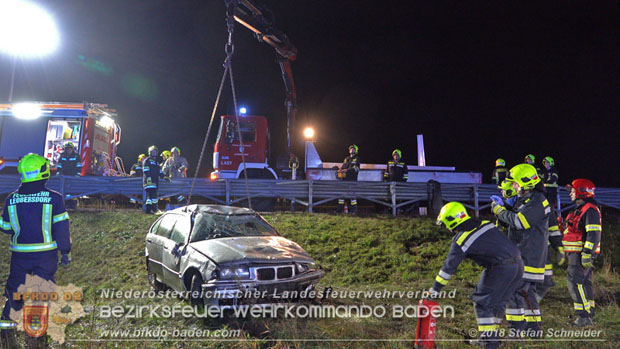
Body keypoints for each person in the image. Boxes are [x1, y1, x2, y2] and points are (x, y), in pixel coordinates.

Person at [0, 154, 71, 346]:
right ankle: (36, 338)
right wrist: (65, 252)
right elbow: (61, 229)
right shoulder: (54, 199)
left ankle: (6, 336)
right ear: (43, 172)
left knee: (15, 293)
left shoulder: (11, 199)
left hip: (20, 254)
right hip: (45, 255)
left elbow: (5, 227)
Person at [431, 202, 523, 349]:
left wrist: (435, 290)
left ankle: (489, 344)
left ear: (451, 221)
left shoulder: (461, 240)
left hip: (500, 268)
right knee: (497, 303)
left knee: (482, 303)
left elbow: (448, 268)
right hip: (518, 264)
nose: (447, 229)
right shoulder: (485, 224)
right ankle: (487, 338)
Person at [491, 163, 549, 336]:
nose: (514, 186)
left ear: (526, 183)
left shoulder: (537, 201)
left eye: (516, 183)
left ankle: (516, 330)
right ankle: (534, 329)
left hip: (528, 255)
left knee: (513, 291)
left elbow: (519, 222)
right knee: (526, 293)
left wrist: (500, 210)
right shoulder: (529, 200)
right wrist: (506, 208)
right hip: (526, 254)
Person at [562, 178, 601, 326]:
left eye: (572, 190)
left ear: (581, 192)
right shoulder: (584, 208)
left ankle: (584, 317)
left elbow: (593, 234)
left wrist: (587, 254)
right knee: (585, 283)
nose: (571, 193)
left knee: (575, 283)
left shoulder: (589, 209)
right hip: (578, 253)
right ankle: (588, 313)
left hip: (580, 254)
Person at [337, 145, 360, 214]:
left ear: (356, 151)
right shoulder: (346, 158)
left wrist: (346, 170)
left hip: (352, 180)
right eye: (351, 149)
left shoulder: (357, 159)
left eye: (353, 149)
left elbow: (356, 168)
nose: (352, 150)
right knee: (341, 195)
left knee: (352, 196)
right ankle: (339, 210)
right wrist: (340, 170)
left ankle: (353, 211)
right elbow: (343, 166)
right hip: (344, 180)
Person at [142, 146, 164, 214]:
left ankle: (148, 210)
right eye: (152, 151)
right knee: (154, 196)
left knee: (150, 197)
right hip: (149, 182)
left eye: (155, 151)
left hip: (155, 182)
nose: (154, 153)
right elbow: (145, 170)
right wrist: (149, 179)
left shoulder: (157, 162)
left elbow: (160, 172)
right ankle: (155, 209)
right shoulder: (147, 160)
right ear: (150, 152)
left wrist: (164, 177)